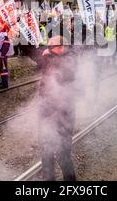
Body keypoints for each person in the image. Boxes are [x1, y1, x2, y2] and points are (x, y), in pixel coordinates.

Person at [38, 35, 77, 181]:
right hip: (47, 112)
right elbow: (36, 52)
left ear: (61, 48)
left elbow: (64, 71)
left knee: (63, 154)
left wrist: (49, 56)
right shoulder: (53, 56)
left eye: (50, 47)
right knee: (46, 152)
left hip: (63, 115)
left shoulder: (70, 58)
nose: (47, 50)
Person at [0, 25, 13, 89]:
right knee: (1, 69)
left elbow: (6, 45)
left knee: (3, 69)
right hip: (0, 55)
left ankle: (5, 84)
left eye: (0, 26)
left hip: (2, 55)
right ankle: (3, 81)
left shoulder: (4, 34)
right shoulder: (1, 34)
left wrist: (3, 55)